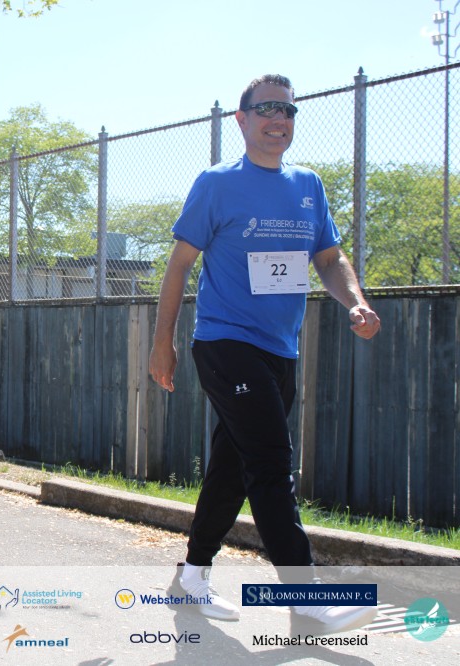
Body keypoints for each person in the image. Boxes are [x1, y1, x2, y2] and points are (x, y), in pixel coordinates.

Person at [148, 75, 382, 635]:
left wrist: (356, 302)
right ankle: (307, 596)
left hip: (281, 349)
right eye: (267, 109)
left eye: (288, 110)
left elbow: (329, 258)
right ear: (243, 119)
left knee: (233, 468)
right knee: (273, 463)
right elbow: (179, 265)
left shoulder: (308, 185)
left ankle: (192, 575)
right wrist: (162, 343)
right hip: (226, 343)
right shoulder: (217, 184)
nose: (279, 119)